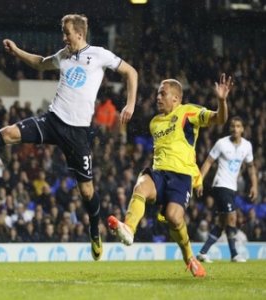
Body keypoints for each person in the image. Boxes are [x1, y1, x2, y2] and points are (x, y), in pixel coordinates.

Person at [0, 14, 138, 261]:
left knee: (87, 192)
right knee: (8, 133)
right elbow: (41, 63)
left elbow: (131, 72)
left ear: (80, 34)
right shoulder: (63, 55)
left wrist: (131, 104)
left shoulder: (100, 55)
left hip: (78, 133)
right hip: (52, 120)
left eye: (67, 33)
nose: (64, 37)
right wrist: (17, 51)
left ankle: (94, 230)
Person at [107, 74, 232, 277]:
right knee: (140, 186)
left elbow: (219, 118)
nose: (158, 97)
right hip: (159, 173)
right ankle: (128, 229)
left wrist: (222, 101)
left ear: (176, 98)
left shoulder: (188, 112)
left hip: (181, 177)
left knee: (174, 218)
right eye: (157, 93)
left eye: (162, 94)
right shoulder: (155, 122)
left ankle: (189, 258)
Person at [196, 116, 258, 263]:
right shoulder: (221, 143)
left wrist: (254, 185)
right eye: (232, 126)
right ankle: (234, 254)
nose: (235, 129)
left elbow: (251, 167)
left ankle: (203, 252)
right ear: (229, 128)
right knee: (232, 217)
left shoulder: (247, 146)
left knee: (222, 222)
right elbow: (208, 162)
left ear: (242, 129)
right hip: (220, 185)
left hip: (232, 187)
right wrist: (199, 181)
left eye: (238, 126)